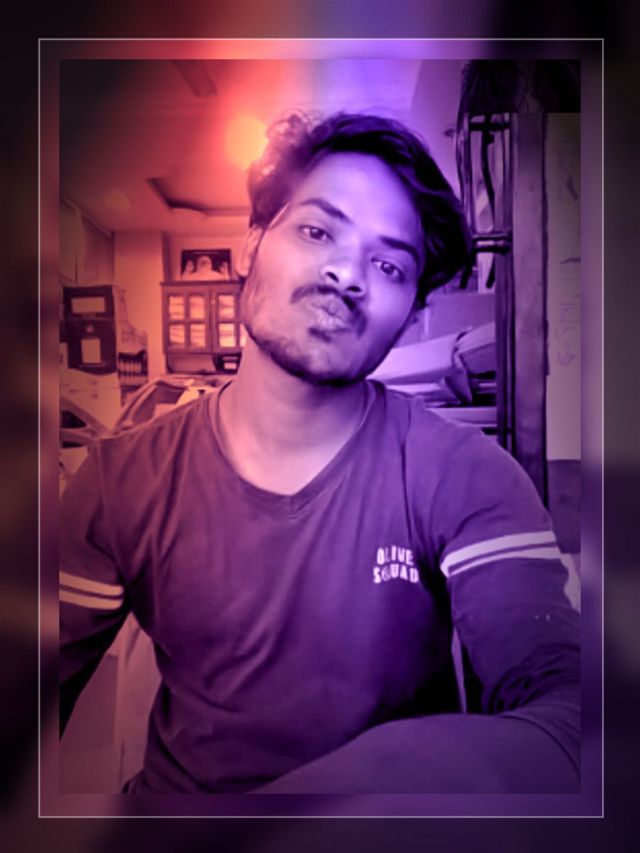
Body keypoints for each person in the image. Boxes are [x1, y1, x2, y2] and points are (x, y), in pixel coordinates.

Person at [59, 112, 580, 795]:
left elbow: (574, 715)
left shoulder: (464, 473)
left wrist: (312, 812)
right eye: (317, 231)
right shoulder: (118, 480)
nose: (346, 274)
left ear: (410, 316)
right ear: (251, 242)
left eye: (390, 265)